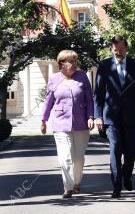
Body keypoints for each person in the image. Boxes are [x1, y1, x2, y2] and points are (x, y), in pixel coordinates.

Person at [94, 35, 135, 198]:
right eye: (115, 49)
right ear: (111, 49)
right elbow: (98, 93)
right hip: (111, 117)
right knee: (115, 148)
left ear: (126, 48)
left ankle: (127, 174)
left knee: (131, 152)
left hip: (130, 116)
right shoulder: (104, 65)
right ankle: (117, 185)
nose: (118, 52)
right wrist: (98, 116)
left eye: (121, 49)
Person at [41, 49, 94, 198]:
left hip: (81, 124)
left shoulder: (82, 76)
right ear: (61, 64)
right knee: (65, 157)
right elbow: (48, 100)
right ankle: (68, 187)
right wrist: (43, 120)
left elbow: (90, 99)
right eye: (70, 61)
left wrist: (90, 116)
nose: (73, 64)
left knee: (78, 158)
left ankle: (77, 182)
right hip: (60, 123)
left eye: (75, 61)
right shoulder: (54, 79)